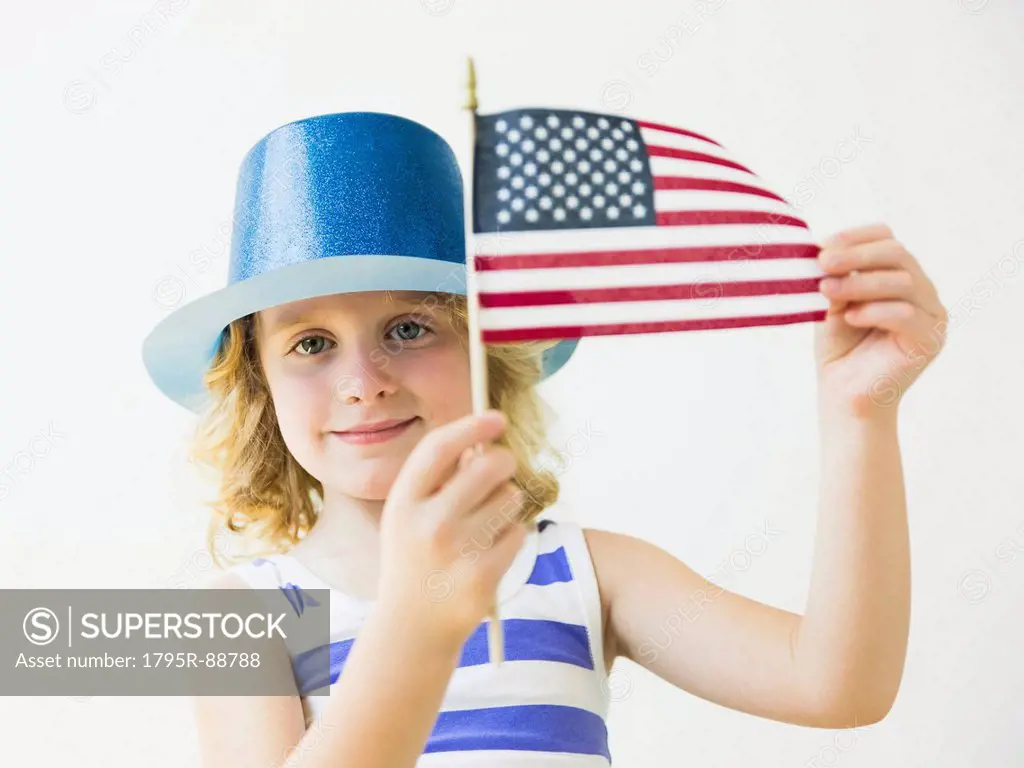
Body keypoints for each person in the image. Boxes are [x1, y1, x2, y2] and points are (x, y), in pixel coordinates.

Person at [142, 111, 947, 767]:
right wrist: (421, 618)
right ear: (261, 387)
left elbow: (837, 684)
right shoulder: (242, 613)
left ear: (487, 353)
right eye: (310, 343)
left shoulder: (584, 573)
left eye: (409, 326)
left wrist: (859, 416)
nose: (364, 379)